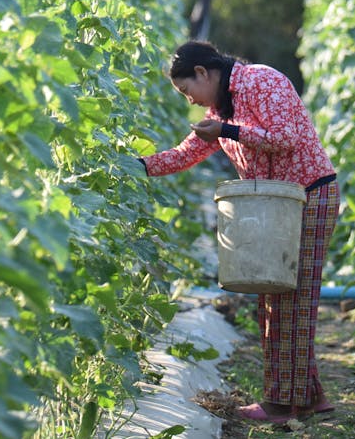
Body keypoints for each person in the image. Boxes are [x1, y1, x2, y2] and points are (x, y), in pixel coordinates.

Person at [138, 40, 340, 424]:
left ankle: (282, 406)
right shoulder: (219, 111)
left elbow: (285, 139)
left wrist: (228, 130)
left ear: (203, 72)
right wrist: (138, 166)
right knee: (273, 300)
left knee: (290, 301)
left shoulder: (263, 82)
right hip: (273, 206)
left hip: (309, 197)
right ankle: (311, 397)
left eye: (188, 90)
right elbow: (184, 154)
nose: (191, 101)